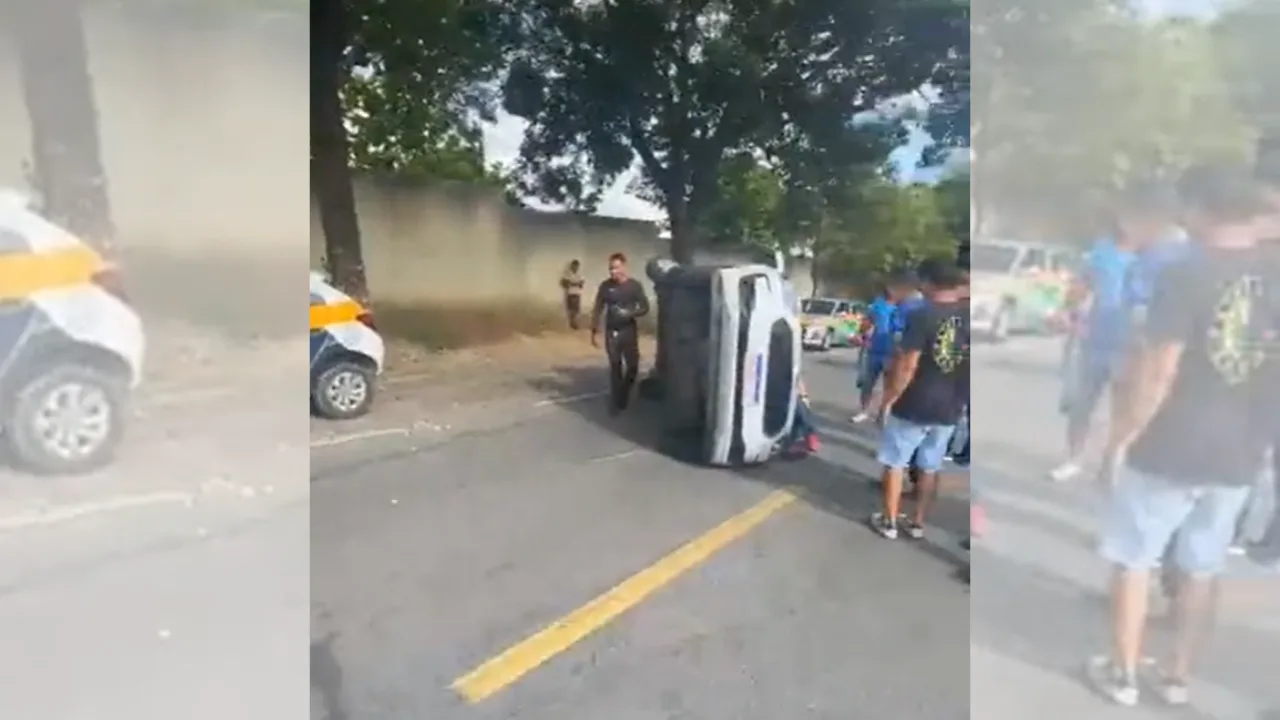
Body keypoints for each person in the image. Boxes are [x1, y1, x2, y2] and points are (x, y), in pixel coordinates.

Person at [1088, 162, 1279, 707]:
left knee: (1135, 558)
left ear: (1200, 210)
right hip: (1240, 451)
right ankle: (1177, 677)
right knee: (1203, 565)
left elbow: (1159, 369)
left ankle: (1122, 673)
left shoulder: (1186, 272)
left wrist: (1119, 440)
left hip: (1171, 442)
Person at [1051, 185, 1178, 482]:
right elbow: (1082, 285)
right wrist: (1067, 311)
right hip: (1095, 339)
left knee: (1126, 408)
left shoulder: (1157, 256)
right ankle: (1074, 458)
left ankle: (1112, 461)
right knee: (1082, 404)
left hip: (1133, 345)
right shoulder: (1102, 251)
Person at [868, 259, 970, 540]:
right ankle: (917, 522)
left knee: (895, 461)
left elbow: (908, 364)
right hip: (950, 405)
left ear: (928, 282)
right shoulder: (969, 315)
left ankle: (888, 520)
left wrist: (888, 399)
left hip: (915, 402)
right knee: (931, 465)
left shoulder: (922, 315)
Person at [590, 253, 650, 414]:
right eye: (611, 268)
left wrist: (630, 313)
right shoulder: (605, 286)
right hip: (612, 332)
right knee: (615, 367)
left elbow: (644, 307)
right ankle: (617, 403)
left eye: (616, 268)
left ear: (624, 267)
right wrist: (594, 331)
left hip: (628, 330)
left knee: (632, 367)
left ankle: (623, 393)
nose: (613, 272)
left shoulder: (634, 286)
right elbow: (598, 308)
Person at [852, 273, 917, 423]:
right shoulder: (878, 304)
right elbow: (867, 322)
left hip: (894, 352)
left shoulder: (905, 307)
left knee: (890, 385)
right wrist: (861, 335)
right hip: (874, 349)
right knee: (868, 383)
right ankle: (864, 411)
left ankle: (883, 413)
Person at [561, 259, 586, 329]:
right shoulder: (568, 273)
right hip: (570, 293)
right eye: (574, 266)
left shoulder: (580, 274)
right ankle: (572, 322)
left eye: (577, 266)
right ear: (572, 266)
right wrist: (574, 283)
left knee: (576, 310)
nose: (575, 267)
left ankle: (573, 322)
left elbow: (581, 284)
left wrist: (572, 283)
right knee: (571, 309)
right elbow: (563, 283)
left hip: (577, 293)